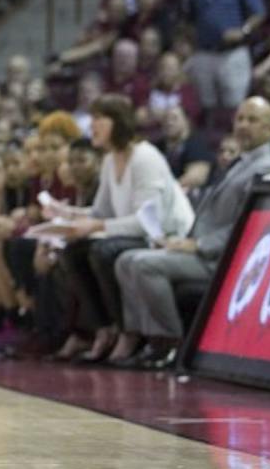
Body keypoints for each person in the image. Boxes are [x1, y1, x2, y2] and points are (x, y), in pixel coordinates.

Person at [110, 97, 270, 368]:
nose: (243, 125)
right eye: (240, 119)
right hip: (200, 248)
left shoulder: (265, 168)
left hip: (220, 257)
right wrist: (180, 241)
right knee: (125, 260)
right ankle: (143, 338)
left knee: (144, 265)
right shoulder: (240, 163)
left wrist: (198, 244)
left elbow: (249, 227)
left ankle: (172, 342)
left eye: (252, 120)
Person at [43, 95, 193, 363]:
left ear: (119, 122)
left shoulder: (145, 158)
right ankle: (104, 328)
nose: (92, 126)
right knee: (74, 251)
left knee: (103, 251)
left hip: (166, 237)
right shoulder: (111, 160)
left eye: (99, 119)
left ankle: (128, 332)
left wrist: (95, 225)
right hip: (134, 235)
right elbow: (101, 213)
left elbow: (147, 221)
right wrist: (66, 214)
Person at [185, 0, 264, 111]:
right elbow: (189, 21)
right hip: (204, 53)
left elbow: (259, 13)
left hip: (233, 53)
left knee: (235, 106)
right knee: (206, 108)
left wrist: (244, 31)